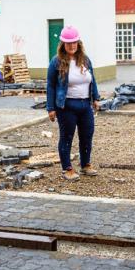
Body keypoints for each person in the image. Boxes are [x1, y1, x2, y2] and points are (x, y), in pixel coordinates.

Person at [46, 26, 100, 180]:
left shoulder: (85, 60)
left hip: (85, 105)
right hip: (66, 106)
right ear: (63, 44)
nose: (72, 46)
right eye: (68, 43)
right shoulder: (56, 62)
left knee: (87, 135)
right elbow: (50, 85)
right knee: (67, 136)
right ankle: (67, 168)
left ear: (78, 42)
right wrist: (50, 108)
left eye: (74, 42)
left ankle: (85, 165)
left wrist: (96, 98)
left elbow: (92, 80)